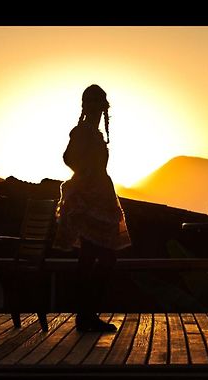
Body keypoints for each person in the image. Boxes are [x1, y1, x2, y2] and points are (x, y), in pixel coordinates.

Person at [54, 84, 131, 332]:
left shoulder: (93, 134)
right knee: (97, 256)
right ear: (87, 107)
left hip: (99, 197)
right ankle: (86, 315)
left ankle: (86, 314)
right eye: (94, 104)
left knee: (94, 257)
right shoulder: (83, 132)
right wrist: (84, 173)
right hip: (88, 201)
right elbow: (68, 157)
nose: (97, 109)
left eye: (100, 105)